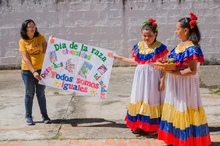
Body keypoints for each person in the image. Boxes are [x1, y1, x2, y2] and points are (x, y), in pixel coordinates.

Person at [158, 12, 211, 146]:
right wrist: (166, 66)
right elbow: (174, 62)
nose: (176, 32)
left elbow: (192, 71)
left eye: (177, 29)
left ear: (186, 30)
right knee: (176, 107)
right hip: (176, 84)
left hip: (185, 85)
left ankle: (187, 140)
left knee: (185, 108)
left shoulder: (192, 48)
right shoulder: (179, 46)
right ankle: (177, 138)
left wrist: (173, 72)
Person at [114, 18, 168, 135]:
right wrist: (119, 58)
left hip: (154, 78)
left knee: (151, 100)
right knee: (138, 98)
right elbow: (134, 61)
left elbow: (165, 66)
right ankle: (138, 124)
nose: (147, 38)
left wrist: (163, 80)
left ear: (155, 34)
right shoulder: (138, 46)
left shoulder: (160, 48)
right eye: (144, 36)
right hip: (140, 79)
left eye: (149, 36)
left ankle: (152, 127)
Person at [19, 19, 51, 125]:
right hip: (28, 72)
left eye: (33, 26)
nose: (32, 28)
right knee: (29, 93)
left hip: (42, 70)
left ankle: (45, 115)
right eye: (30, 26)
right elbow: (26, 59)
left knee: (41, 94)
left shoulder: (40, 37)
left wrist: (52, 42)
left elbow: (47, 51)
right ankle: (28, 116)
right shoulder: (22, 41)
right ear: (25, 29)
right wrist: (33, 72)